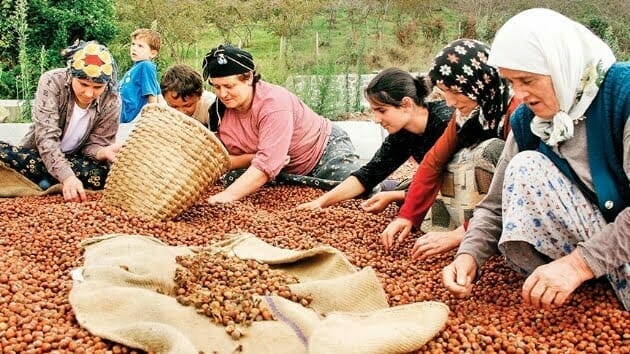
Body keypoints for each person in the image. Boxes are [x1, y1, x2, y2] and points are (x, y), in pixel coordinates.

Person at [442, 8, 629, 310]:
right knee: (525, 166)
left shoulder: (622, 95)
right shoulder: (529, 120)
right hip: (593, 251)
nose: (520, 93)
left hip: (616, 247)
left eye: (527, 80)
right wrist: (469, 255)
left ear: (561, 64)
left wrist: (577, 266)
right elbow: (494, 206)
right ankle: (596, 291)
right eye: (511, 83)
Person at [380, 39, 521, 261]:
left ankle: (487, 235)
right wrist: (407, 215)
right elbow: (433, 161)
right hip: (483, 212)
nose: (449, 102)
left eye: (455, 91)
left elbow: (519, 188)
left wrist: (461, 234)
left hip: (514, 208)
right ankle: (471, 228)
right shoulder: (468, 115)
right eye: (444, 91)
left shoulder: (517, 113)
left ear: (479, 82)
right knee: (452, 160)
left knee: (491, 150)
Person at [201, 44, 362, 203]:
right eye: (217, 87)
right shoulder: (217, 111)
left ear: (249, 78)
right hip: (282, 172)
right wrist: (250, 159)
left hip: (321, 153)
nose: (222, 94)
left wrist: (227, 196)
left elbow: (267, 163)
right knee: (230, 180)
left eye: (229, 86)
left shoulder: (273, 104)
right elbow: (221, 159)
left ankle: (386, 187)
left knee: (358, 189)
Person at [297, 67, 453, 212]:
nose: (376, 119)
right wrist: (320, 202)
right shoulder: (403, 134)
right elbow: (369, 174)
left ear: (406, 104)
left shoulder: (447, 123)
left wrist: (394, 196)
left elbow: (454, 185)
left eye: (382, 110)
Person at [0, 41, 121, 202]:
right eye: (83, 84)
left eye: (97, 87)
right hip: (38, 155)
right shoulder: (52, 82)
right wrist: (67, 177)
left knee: (103, 174)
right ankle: (51, 179)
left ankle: (39, 180)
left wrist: (102, 152)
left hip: (76, 161)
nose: (89, 93)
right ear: (71, 75)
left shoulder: (112, 101)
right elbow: (46, 137)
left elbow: (94, 145)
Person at [119, 28, 161, 123]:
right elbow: (158, 91)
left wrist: (153, 119)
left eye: (140, 46)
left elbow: (152, 94)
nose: (134, 48)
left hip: (126, 115)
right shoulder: (136, 67)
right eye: (133, 44)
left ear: (153, 53)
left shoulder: (146, 66)